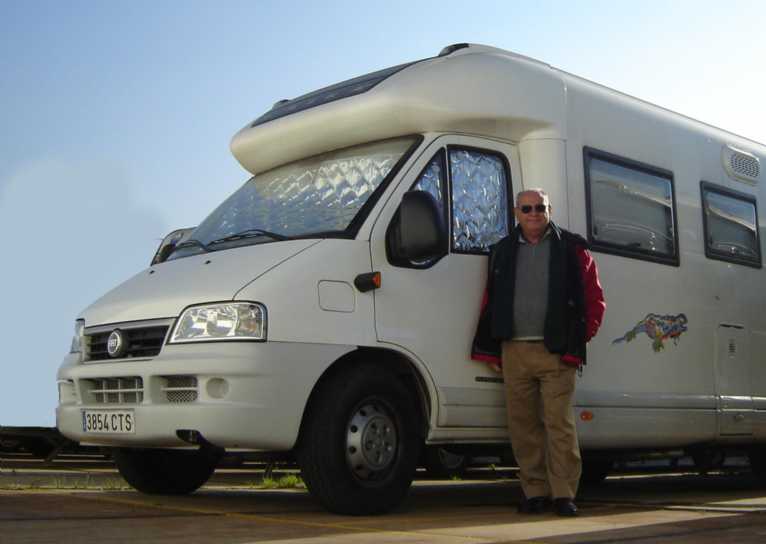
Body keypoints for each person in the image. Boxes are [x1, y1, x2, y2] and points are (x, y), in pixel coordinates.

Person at [472, 188, 605, 517]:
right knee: (522, 426)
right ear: (516, 212)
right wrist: (492, 352)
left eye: (540, 208)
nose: (534, 214)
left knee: (559, 426)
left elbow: (594, 300)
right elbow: (490, 301)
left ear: (550, 210)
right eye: (527, 208)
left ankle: (564, 494)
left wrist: (578, 340)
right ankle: (534, 492)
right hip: (514, 351)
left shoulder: (572, 249)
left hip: (555, 352)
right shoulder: (502, 251)